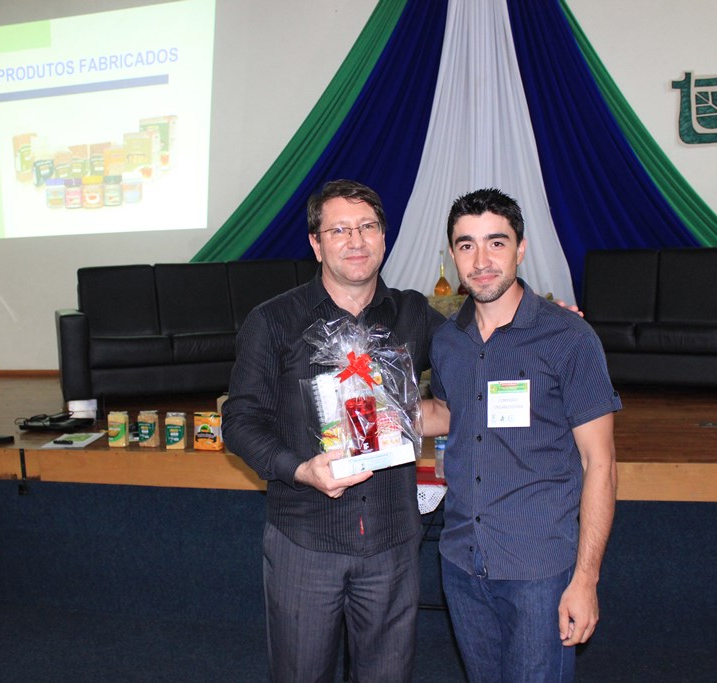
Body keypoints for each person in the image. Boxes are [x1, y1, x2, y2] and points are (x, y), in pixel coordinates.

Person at [222, 179, 447, 683]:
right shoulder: (273, 321)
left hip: (392, 541)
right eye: (339, 230)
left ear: (384, 237)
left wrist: (542, 323)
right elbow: (238, 422)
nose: (356, 240)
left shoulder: (413, 314)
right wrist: (301, 468)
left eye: (367, 227)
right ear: (315, 243)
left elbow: (479, 348)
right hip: (306, 539)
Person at [428, 188, 621, 682]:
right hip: (461, 562)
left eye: (496, 242)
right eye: (467, 245)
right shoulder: (448, 341)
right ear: (452, 254)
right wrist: (363, 407)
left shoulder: (569, 338)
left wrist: (586, 579)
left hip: (539, 571)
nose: (481, 260)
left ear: (521, 249)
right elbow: (448, 414)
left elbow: (600, 463)